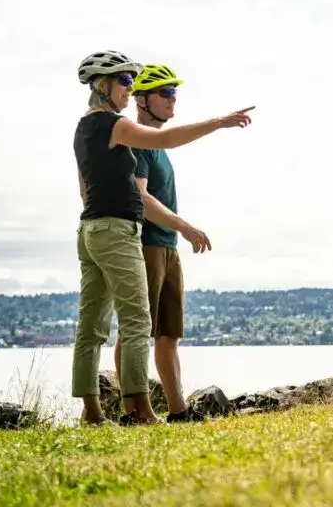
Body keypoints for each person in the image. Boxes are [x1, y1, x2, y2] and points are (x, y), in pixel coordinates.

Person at [72, 49, 254, 426]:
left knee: (91, 328)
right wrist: (218, 122)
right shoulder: (114, 125)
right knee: (138, 323)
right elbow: (167, 140)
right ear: (104, 85)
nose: (129, 88)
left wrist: (99, 216)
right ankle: (140, 411)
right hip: (118, 230)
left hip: (91, 227)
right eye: (125, 81)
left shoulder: (83, 128)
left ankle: (93, 412)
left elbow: (84, 189)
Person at [114, 63, 208, 423]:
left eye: (174, 93)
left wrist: (178, 233)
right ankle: (132, 411)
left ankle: (178, 409)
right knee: (135, 330)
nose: (173, 101)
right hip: (147, 244)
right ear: (142, 100)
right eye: (165, 94)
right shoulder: (139, 143)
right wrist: (185, 226)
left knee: (168, 333)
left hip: (168, 247)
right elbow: (141, 198)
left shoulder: (160, 148)